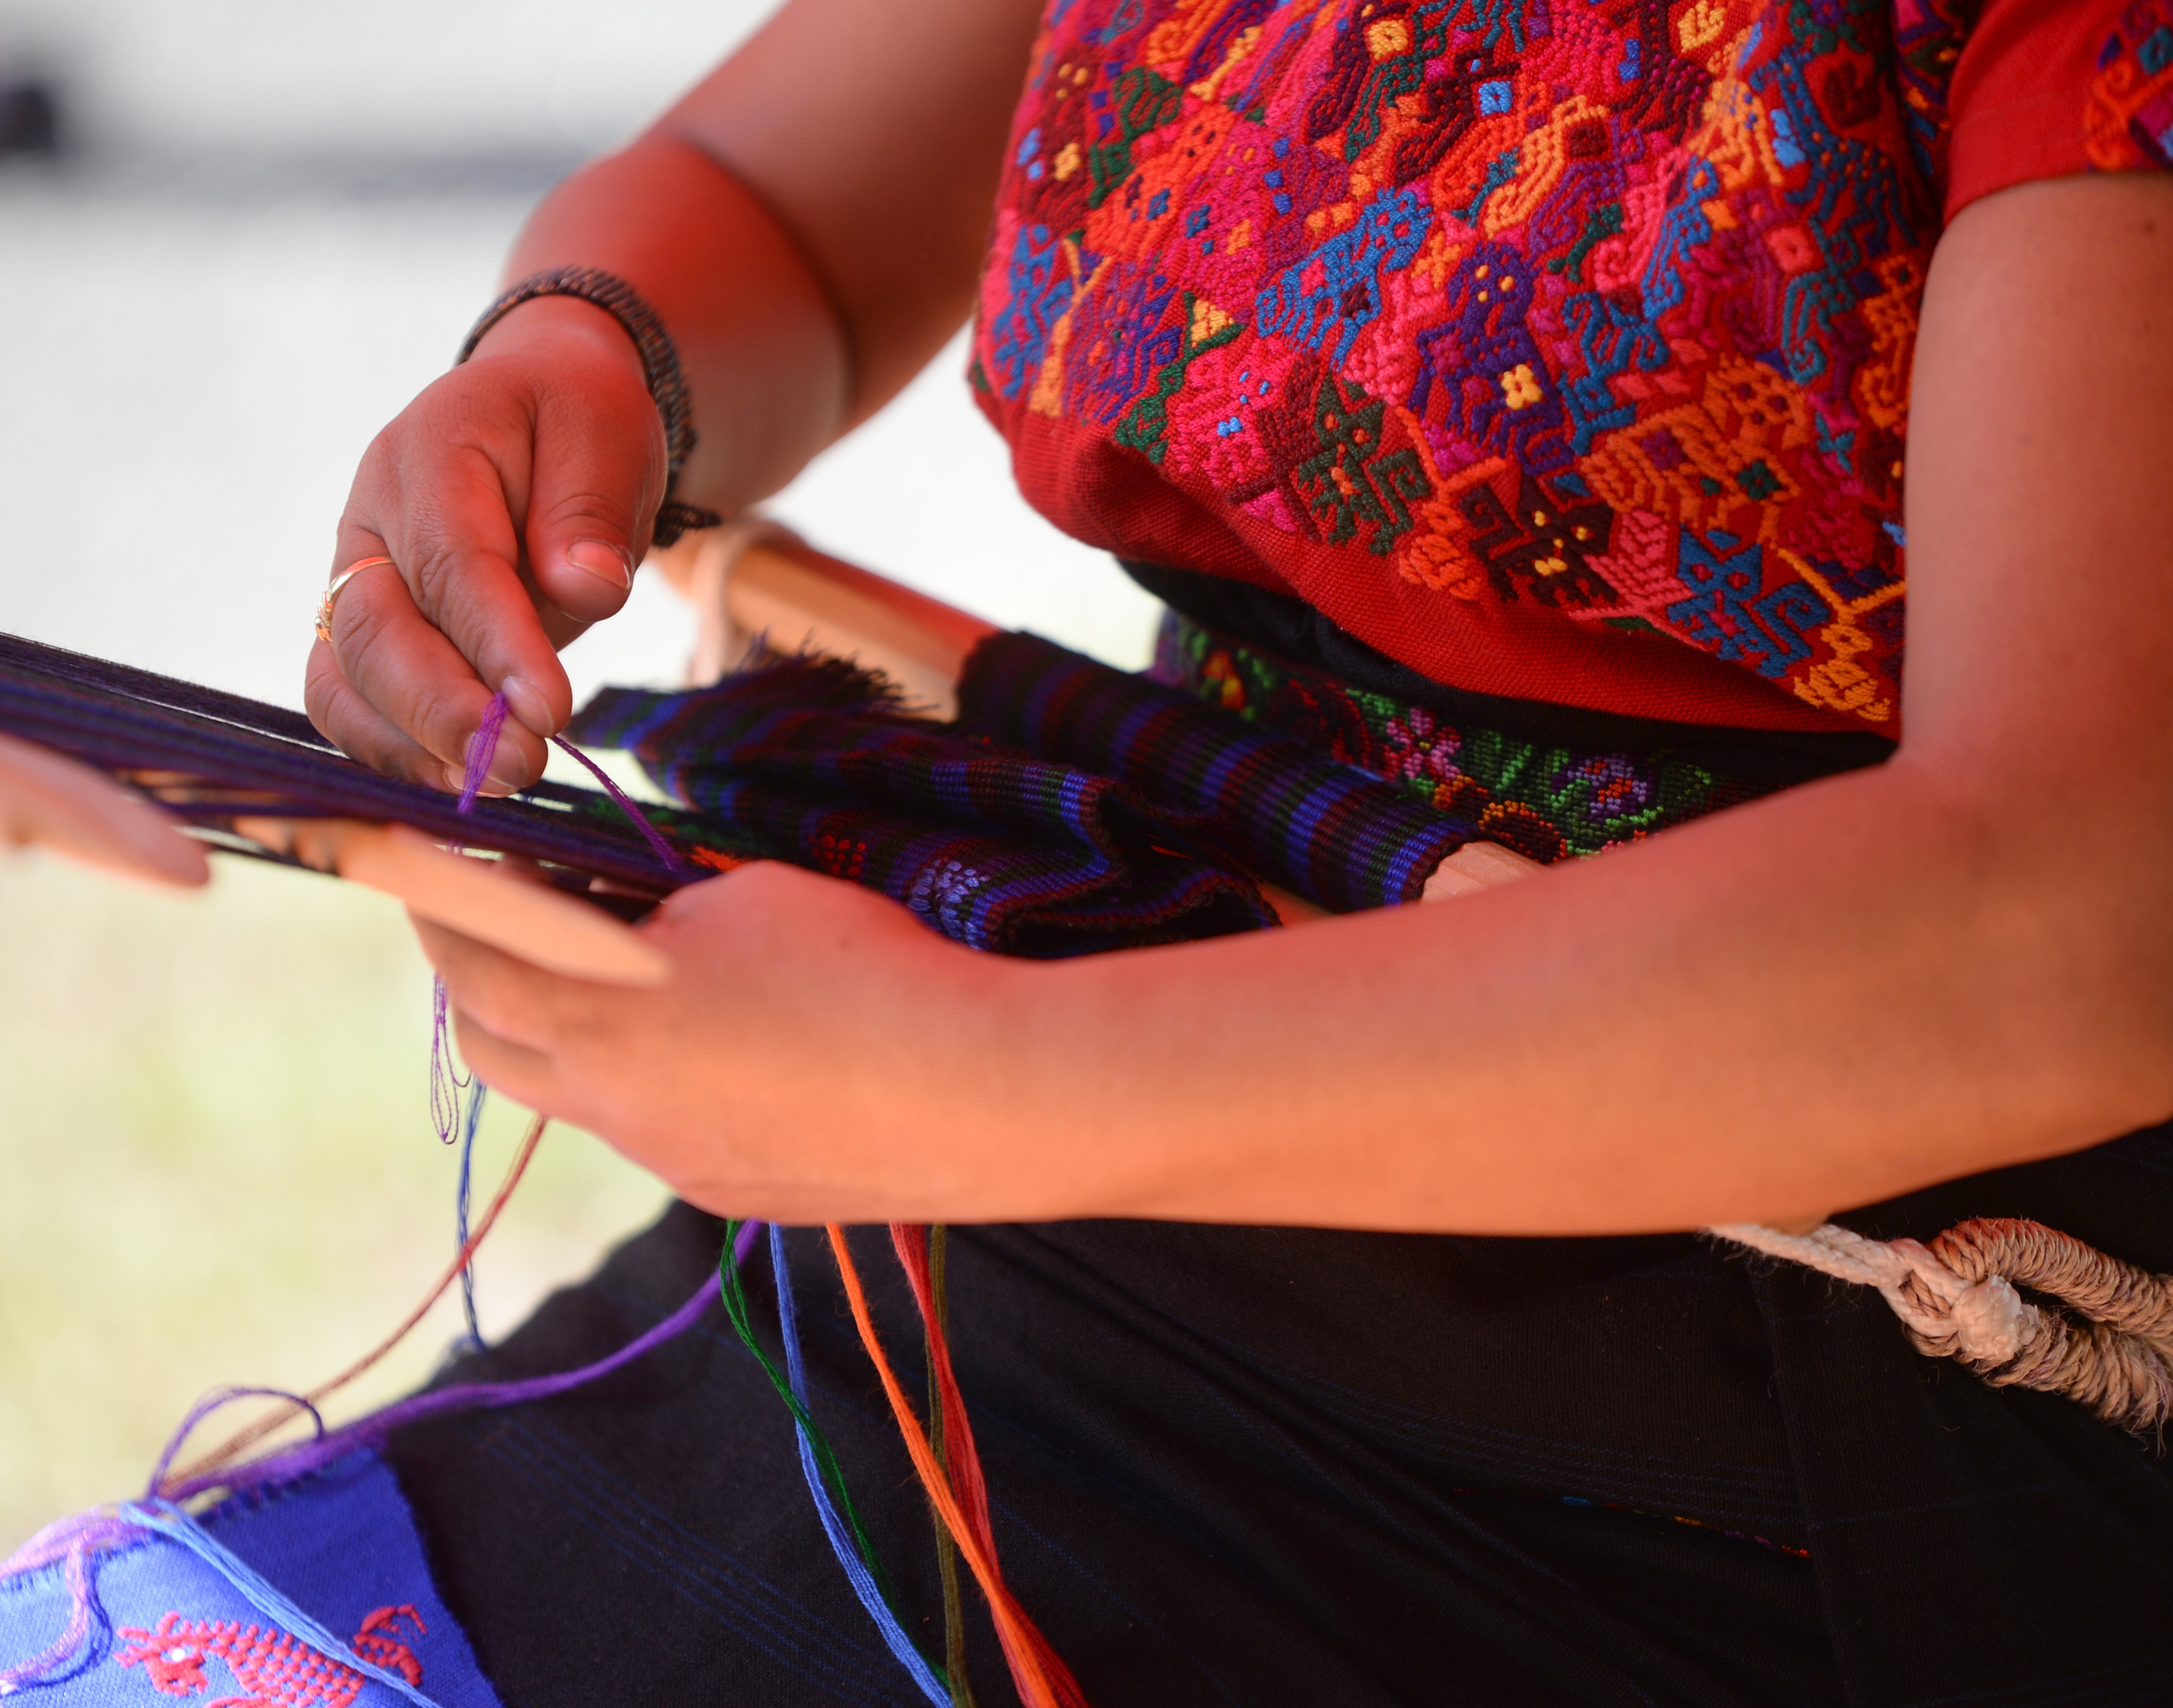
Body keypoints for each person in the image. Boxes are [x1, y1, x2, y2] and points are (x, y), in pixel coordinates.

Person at [297, 0, 2173, 1701]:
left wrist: (972, 1082)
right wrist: (584, 362)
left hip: (1780, 1394)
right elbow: (776, 205)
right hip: (1105, 1155)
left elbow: (2061, 918)